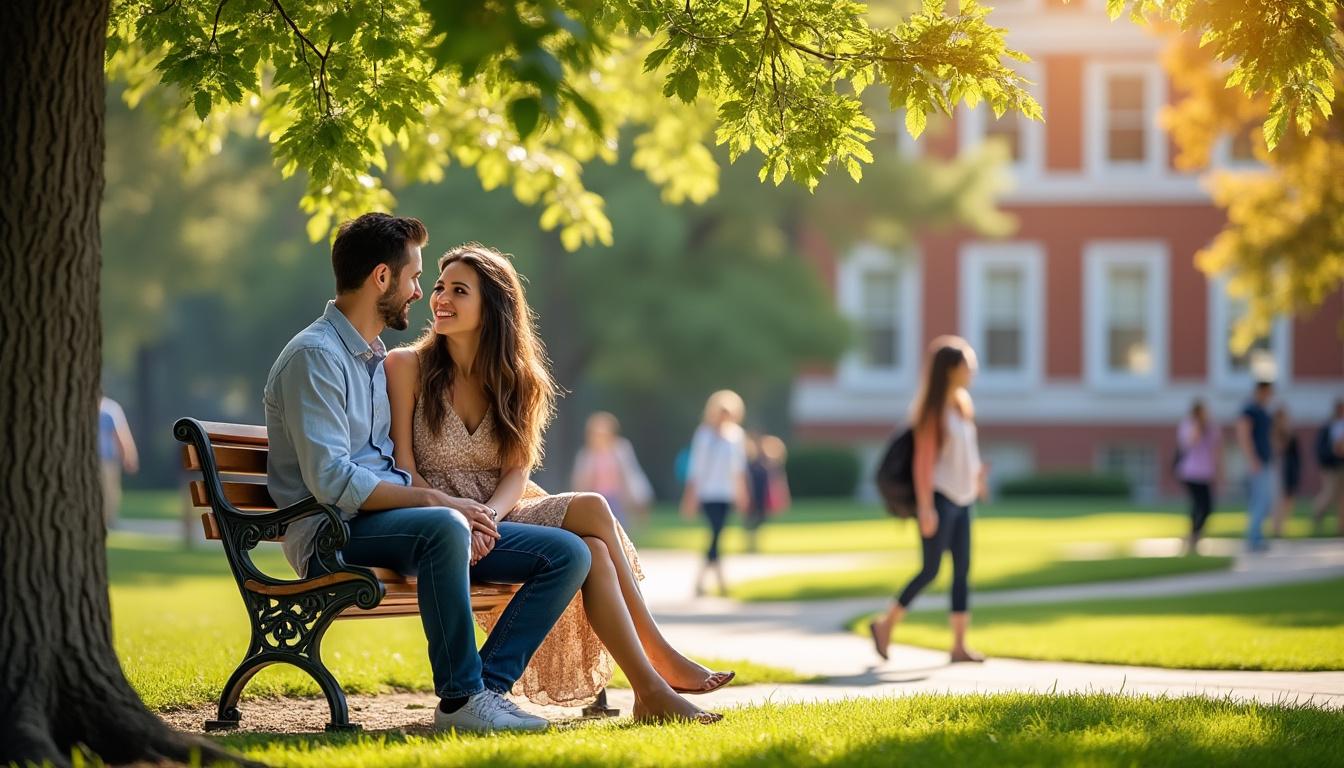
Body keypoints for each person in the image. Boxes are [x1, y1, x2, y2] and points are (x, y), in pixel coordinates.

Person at [265, 213, 591, 733]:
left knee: (569, 552)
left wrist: (461, 511)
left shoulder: (370, 357)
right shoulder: (316, 357)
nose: (420, 293)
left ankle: (486, 689)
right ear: (381, 278)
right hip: (332, 530)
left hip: (390, 524)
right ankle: (461, 701)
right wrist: (439, 504)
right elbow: (332, 482)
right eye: (417, 278)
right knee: (446, 527)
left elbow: (391, 465)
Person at [385, 243, 727, 725]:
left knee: (591, 508)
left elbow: (515, 474)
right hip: (439, 518)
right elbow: (405, 468)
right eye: (439, 287)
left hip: (504, 513)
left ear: (493, 307)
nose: (440, 298)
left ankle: (655, 672)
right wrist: (461, 514)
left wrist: (489, 517)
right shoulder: (406, 367)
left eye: (459, 290)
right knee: (594, 550)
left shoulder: (521, 380)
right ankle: (653, 679)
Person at [869, 336, 987, 664]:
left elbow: (966, 453)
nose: (973, 370)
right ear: (951, 369)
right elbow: (923, 463)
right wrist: (925, 507)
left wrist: (977, 478)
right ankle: (885, 624)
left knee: (962, 570)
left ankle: (959, 645)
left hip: (963, 499)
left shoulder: (963, 404)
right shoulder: (932, 411)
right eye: (969, 365)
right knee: (931, 570)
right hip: (940, 500)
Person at [680, 390, 749, 598]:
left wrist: (742, 494)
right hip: (708, 493)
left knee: (717, 535)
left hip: (726, 493)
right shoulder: (704, 435)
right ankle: (718, 580)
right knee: (715, 532)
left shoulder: (736, 436)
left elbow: (738, 469)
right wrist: (690, 496)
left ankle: (706, 579)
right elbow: (696, 469)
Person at [571, 411, 654, 530]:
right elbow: (580, 481)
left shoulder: (621, 450)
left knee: (620, 529)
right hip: (596, 499)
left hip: (617, 499)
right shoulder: (586, 455)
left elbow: (629, 474)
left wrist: (631, 498)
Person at [1175, 399, 1220, 553]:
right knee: (1196, 504)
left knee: (1207, 506)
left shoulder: (1211, 427)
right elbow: (1187, 443)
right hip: (1191, 472)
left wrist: (1217, 470)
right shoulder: (1188, 425)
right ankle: (1193, 536)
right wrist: (1197, 427)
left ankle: (1196, 533)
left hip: (1205, 472)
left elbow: (1215, 448)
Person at [1236, 380, 1276, 552]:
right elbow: (1243, 435)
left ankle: (1257, 535)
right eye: (1268, 392)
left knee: (1264, 500)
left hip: (1265, 460)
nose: (1270, 396)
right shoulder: (1249, 410)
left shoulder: (1263, 410)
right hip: (1257, 462)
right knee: (1260, 500)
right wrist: (1252, 459)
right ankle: (1254, 538)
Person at [743, 434, 791, 553]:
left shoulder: (767, 465)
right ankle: (750, 545)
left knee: (758, 521)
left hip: (761, 498)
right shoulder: (753, 465)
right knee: (752, 521)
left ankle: (753, 545)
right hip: (753, 497)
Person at [98, 394, 139, 527]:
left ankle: (108, 520)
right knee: (109, 491)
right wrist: (129, 456)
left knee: (108, 491)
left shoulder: (109, 409)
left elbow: (120, 434)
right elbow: (121, 434)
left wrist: (129, 455)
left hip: (106, 458)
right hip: (105, 459)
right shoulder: (111, 408)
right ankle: (108, 521)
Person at [1311, 399, 1344, 535]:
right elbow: (1320, 448)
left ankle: (1341, 527)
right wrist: (1334, 450)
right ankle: (1317, 514)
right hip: (1331, 467)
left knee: (1342, 498)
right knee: (1329, 493)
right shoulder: (1328, 426)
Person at [1270, 406, 1301, 538]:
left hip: (1291, 467)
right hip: (1281, 468)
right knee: (1280, 498)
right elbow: (1278, 450)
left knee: (1289, 497)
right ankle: (1277, 527)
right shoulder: (1275, 432)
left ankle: (1282, 525)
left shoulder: (1289, 431)